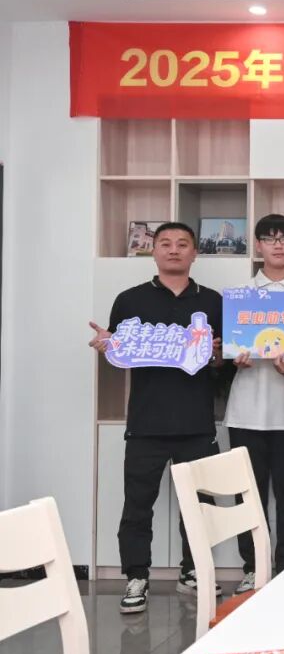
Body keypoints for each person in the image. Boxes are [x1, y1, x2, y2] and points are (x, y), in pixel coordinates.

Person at [88, 222, 223, 614]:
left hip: (197, 421)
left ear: (195, 252)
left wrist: (217, 355)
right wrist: (108, 347)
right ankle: (136, 576)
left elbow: (222, 364)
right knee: (137, 504)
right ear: (155, 251)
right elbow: (120, 355)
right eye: (165, 243)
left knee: (198, 504)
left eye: (182, 244)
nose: (173, 250)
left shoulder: (213, 302)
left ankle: (192, 571)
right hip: (146, 422)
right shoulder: (129, 300)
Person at [226, 214, 284, 596]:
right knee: (248, 497)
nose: (278, 244)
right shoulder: (240, 296)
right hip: (245, 411)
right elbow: (224, 352)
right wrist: (233, 359)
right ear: (258, 245)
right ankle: (253, 567)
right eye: (269, 238)